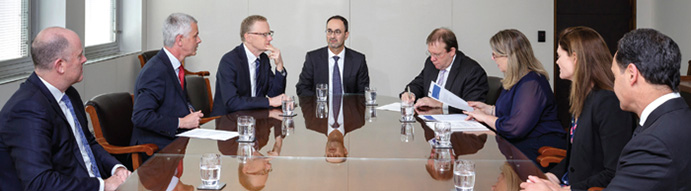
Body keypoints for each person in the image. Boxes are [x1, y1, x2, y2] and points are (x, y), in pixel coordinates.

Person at [522, 29, 691, 191]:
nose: (614, 84)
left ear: (632, 74)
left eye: (616, 76)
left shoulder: (654, 141)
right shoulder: (676, 119)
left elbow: (615, 178)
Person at [0, 27, 130, 191]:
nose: (84, 59)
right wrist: (103, 185)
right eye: (79, 55)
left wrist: (116, 169)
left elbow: (86, 143)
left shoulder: (69, 93)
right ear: (60, 65)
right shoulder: (27, 110)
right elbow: (39, 183)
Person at [548, 26, 635, 189]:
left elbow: (614, 171)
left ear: (575, 58)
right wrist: (550, 177)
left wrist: (567, 189)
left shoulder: (609, 103)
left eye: (559, 56)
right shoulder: (582, 98)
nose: (557, 61)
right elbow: (573, 158)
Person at [464, 29, 565, 166]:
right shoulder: (515, 79)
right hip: (521, 144)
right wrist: (489, 110)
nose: (493, 58)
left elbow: (515, 128)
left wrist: (485, 118)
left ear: (510, 56)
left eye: (495, 55)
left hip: (540, 148)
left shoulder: (532, 83)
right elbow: (513, 111)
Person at [131, 13, 204, 152]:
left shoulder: (173, 66)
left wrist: (188, 109)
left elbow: (179, 101)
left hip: (176, 142)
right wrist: (182, 122)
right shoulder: (155, 71)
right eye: (195, 36)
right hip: (156, 149)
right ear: (180, 40)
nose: (199, 40)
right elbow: (141, 117)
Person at [400, 28, 489, 113]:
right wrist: (410, 94)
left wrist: (440, 105)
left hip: (455, 126)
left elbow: (473, 107)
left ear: (452, 52)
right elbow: (418, 84)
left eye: (437, 54)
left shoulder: (472, 71)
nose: (432, 58)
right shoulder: (431, 64)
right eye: (430, 53)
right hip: (429, 121)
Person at [212, 15, 286, 116]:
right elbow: (232, 102)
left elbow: (275, 95)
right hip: (229, 122)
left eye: (269, 33)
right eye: (264, 34)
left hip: (257, 119)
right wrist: (269, 102)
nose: (270, 38)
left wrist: (279, 66)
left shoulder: (263, 59)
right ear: (248, 37)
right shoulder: (230, 61)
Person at [296, 15, 370, 96]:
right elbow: (302, 88)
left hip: (348, 107)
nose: (332, 36)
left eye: (337, 32)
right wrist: (321, 102)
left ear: (346, 35)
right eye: (329, 31)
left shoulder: (358, 60)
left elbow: (362, 93)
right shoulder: (313, 58)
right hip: (321, 106)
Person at [300, 95, 366, 163]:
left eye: (328, 155)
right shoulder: (357, 121)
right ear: (345, 150)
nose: (332, 153)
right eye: (337, 155)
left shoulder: (312, 122)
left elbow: (303, 89)